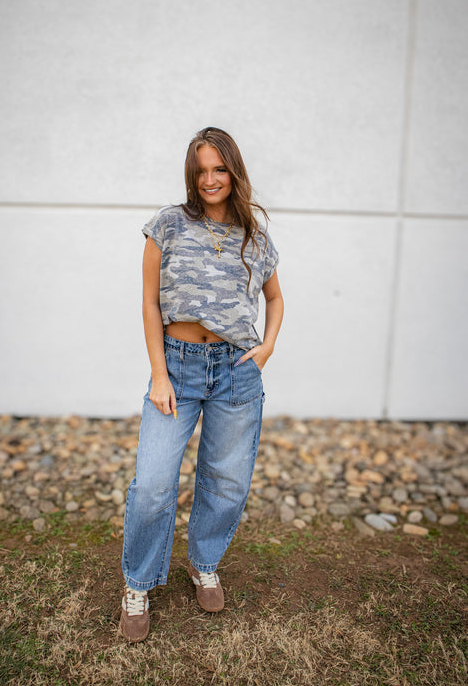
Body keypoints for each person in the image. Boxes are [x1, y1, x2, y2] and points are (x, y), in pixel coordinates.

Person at [120, 127, 284, 643]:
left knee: (227, 482)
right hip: (179, 366)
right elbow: (149, 303)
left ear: (234, 171)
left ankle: (203, 563)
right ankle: (138, 584)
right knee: (152, 485)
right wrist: (160, 375)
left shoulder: (255, 236)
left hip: (237, 370)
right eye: (201, 170)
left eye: (220, 168)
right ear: (192, 174)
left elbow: (276, 299)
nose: (210, 179)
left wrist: (268, 345)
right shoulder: (168, 224)